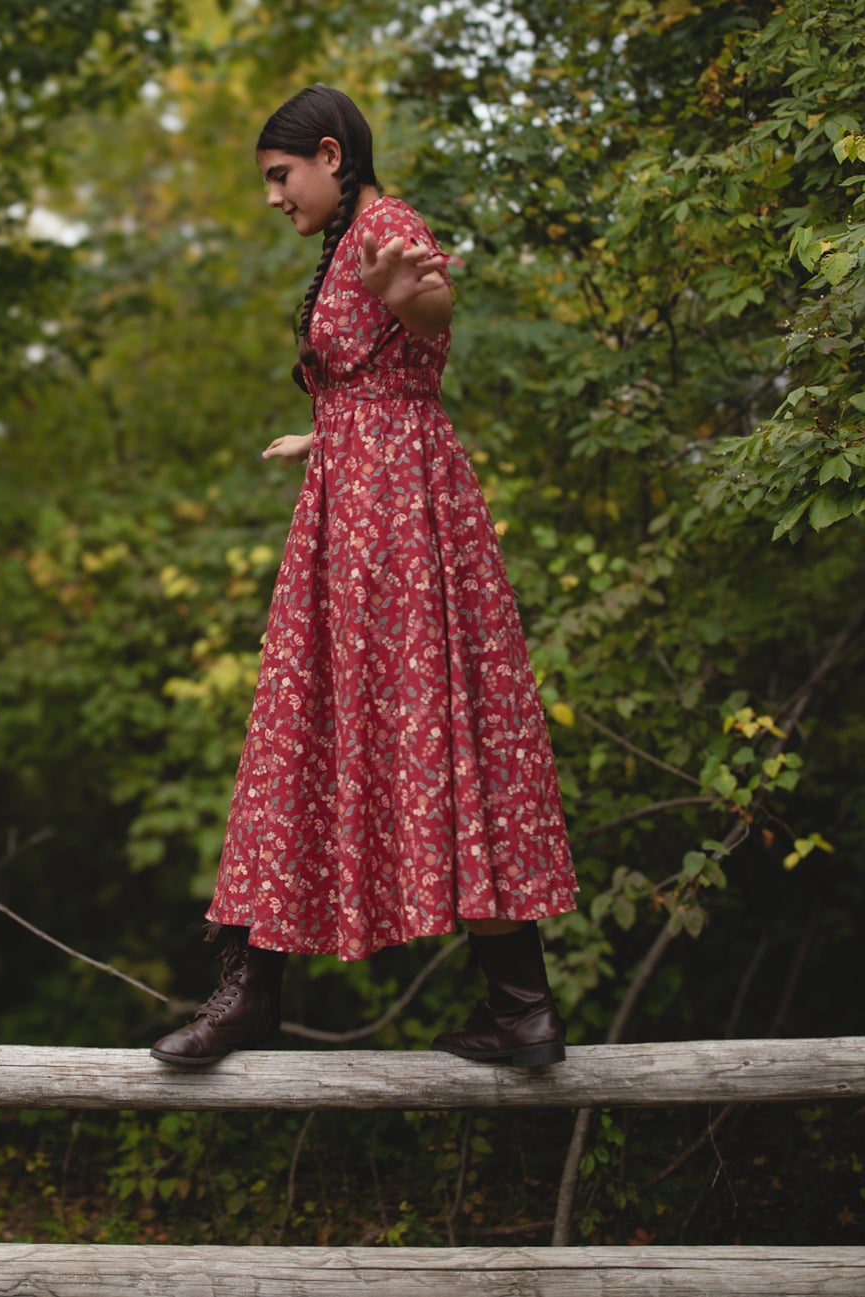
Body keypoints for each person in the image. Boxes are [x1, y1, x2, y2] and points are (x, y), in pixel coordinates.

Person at [150, 85, 578, 1069]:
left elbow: (429, 309)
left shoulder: (383, 224)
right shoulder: (346, 237)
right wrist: (327, 428)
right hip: (367, 501)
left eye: (278, 175)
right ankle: (516, 1007)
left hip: (389, 522)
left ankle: (257, 994)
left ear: (330, 155)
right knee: (379, 732)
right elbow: (386, 379)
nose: (271, 196)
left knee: (331, 729)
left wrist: (411, 299)